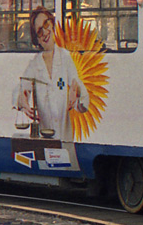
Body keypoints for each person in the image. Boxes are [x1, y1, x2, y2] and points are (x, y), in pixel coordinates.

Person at [15, 7, 89, 140]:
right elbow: (21, 88)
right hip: (44, 141)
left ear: (52, 24)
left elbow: (80, 92)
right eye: (39, 31)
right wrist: (22, 100)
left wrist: (76, 91)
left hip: (64, 140)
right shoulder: (34, 65)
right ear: (36, 39)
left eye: (46, 24)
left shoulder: (65, 57)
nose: (44, 32)